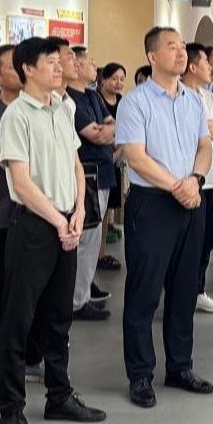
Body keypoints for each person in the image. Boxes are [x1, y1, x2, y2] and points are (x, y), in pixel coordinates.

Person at [0, 37, 106, 424]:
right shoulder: (16, 116)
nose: (62, 67)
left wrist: (77, 212)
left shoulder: (63, 108)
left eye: (62, 62)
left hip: (66, 223)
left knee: (60, 316)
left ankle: (59, 395)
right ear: (28, 68)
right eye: (52, 62)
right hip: (34, 227)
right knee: (18, 319)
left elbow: (77, 166)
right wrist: (59, 220)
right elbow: (22, 183)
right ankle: (11, 410)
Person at [115, 27, 213, 409]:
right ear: (152, 57)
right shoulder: (135, 102)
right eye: (172, 47)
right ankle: (140, 374)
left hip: (191, 199)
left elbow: (204, 146)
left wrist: (195, 179)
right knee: (145, 290)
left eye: (183, 46)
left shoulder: (194, 101)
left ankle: (180, 366)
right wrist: (177, 184)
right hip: (153, 203)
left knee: (185, 289)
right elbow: (135, 156)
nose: (181, 52)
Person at [0, 45, 45, 403]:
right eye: (13, 66)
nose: (22, 68)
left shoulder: (45, 108)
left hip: (42, 214)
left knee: (36, 292)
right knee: (0, 292)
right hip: (4, 217)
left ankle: (31, 357)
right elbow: (13, 163)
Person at [182, 43, 213, 313]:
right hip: (192, 179)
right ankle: (185, 291)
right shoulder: (180, 96)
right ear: (192, 67)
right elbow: (190, 133)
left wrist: (207, 129)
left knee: (209, 235)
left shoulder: (210, 98)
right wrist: (209, 129)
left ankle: (198, 290)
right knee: (191, 239)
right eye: (206, 63)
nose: (211, 68)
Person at [67, 46, 115, 320]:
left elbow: (111, 124)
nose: (94, 67)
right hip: (87, 174)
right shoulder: (70, 100)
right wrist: (106, 131)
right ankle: (76, 300)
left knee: (93, 239)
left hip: (103, 173)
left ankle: (83, 292)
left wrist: (107, 130)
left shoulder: (92, 95)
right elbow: (95, 134)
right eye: (90, 62)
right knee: (85, 239)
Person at [97, 63, 126, 269]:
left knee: (107, 209)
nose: (118, 83)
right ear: (103, 79)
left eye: (122, 79)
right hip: (101, 158)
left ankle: (102, 252)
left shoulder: (123, 102)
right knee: (97, 210)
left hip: (117, 159)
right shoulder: (96, 100)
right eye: (114, 78)